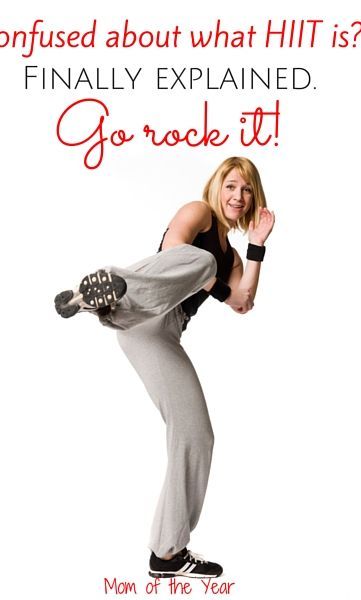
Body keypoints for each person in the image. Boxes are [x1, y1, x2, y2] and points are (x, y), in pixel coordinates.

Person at [54, 156, 275, 578]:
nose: (238, 196)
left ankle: (168, 553)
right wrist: (211, 279)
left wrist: (258, 246)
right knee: (201, 262)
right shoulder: (199, 213)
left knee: (197, 435)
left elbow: (242, 302)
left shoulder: (230, 257)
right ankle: (104, 296)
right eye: (231, 186)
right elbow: (174, 251)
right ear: (217, 187)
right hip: (141, 295)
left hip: (159, 333)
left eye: (246, 190)